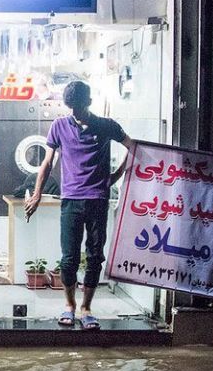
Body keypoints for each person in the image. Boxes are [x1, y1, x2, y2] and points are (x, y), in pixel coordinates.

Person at [24, 81, 134, 330]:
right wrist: (38, 193)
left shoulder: (107, 126)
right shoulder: (59, 126)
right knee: (69, 258)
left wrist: (114, 178)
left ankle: (86, 308)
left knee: (95, 256)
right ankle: (70, 306)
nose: (75, 112)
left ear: (89, 103)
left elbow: (132, 146)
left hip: (98, 200)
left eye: (79, 107)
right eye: (71, 107)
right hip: (71, 200)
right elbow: (48, 163)